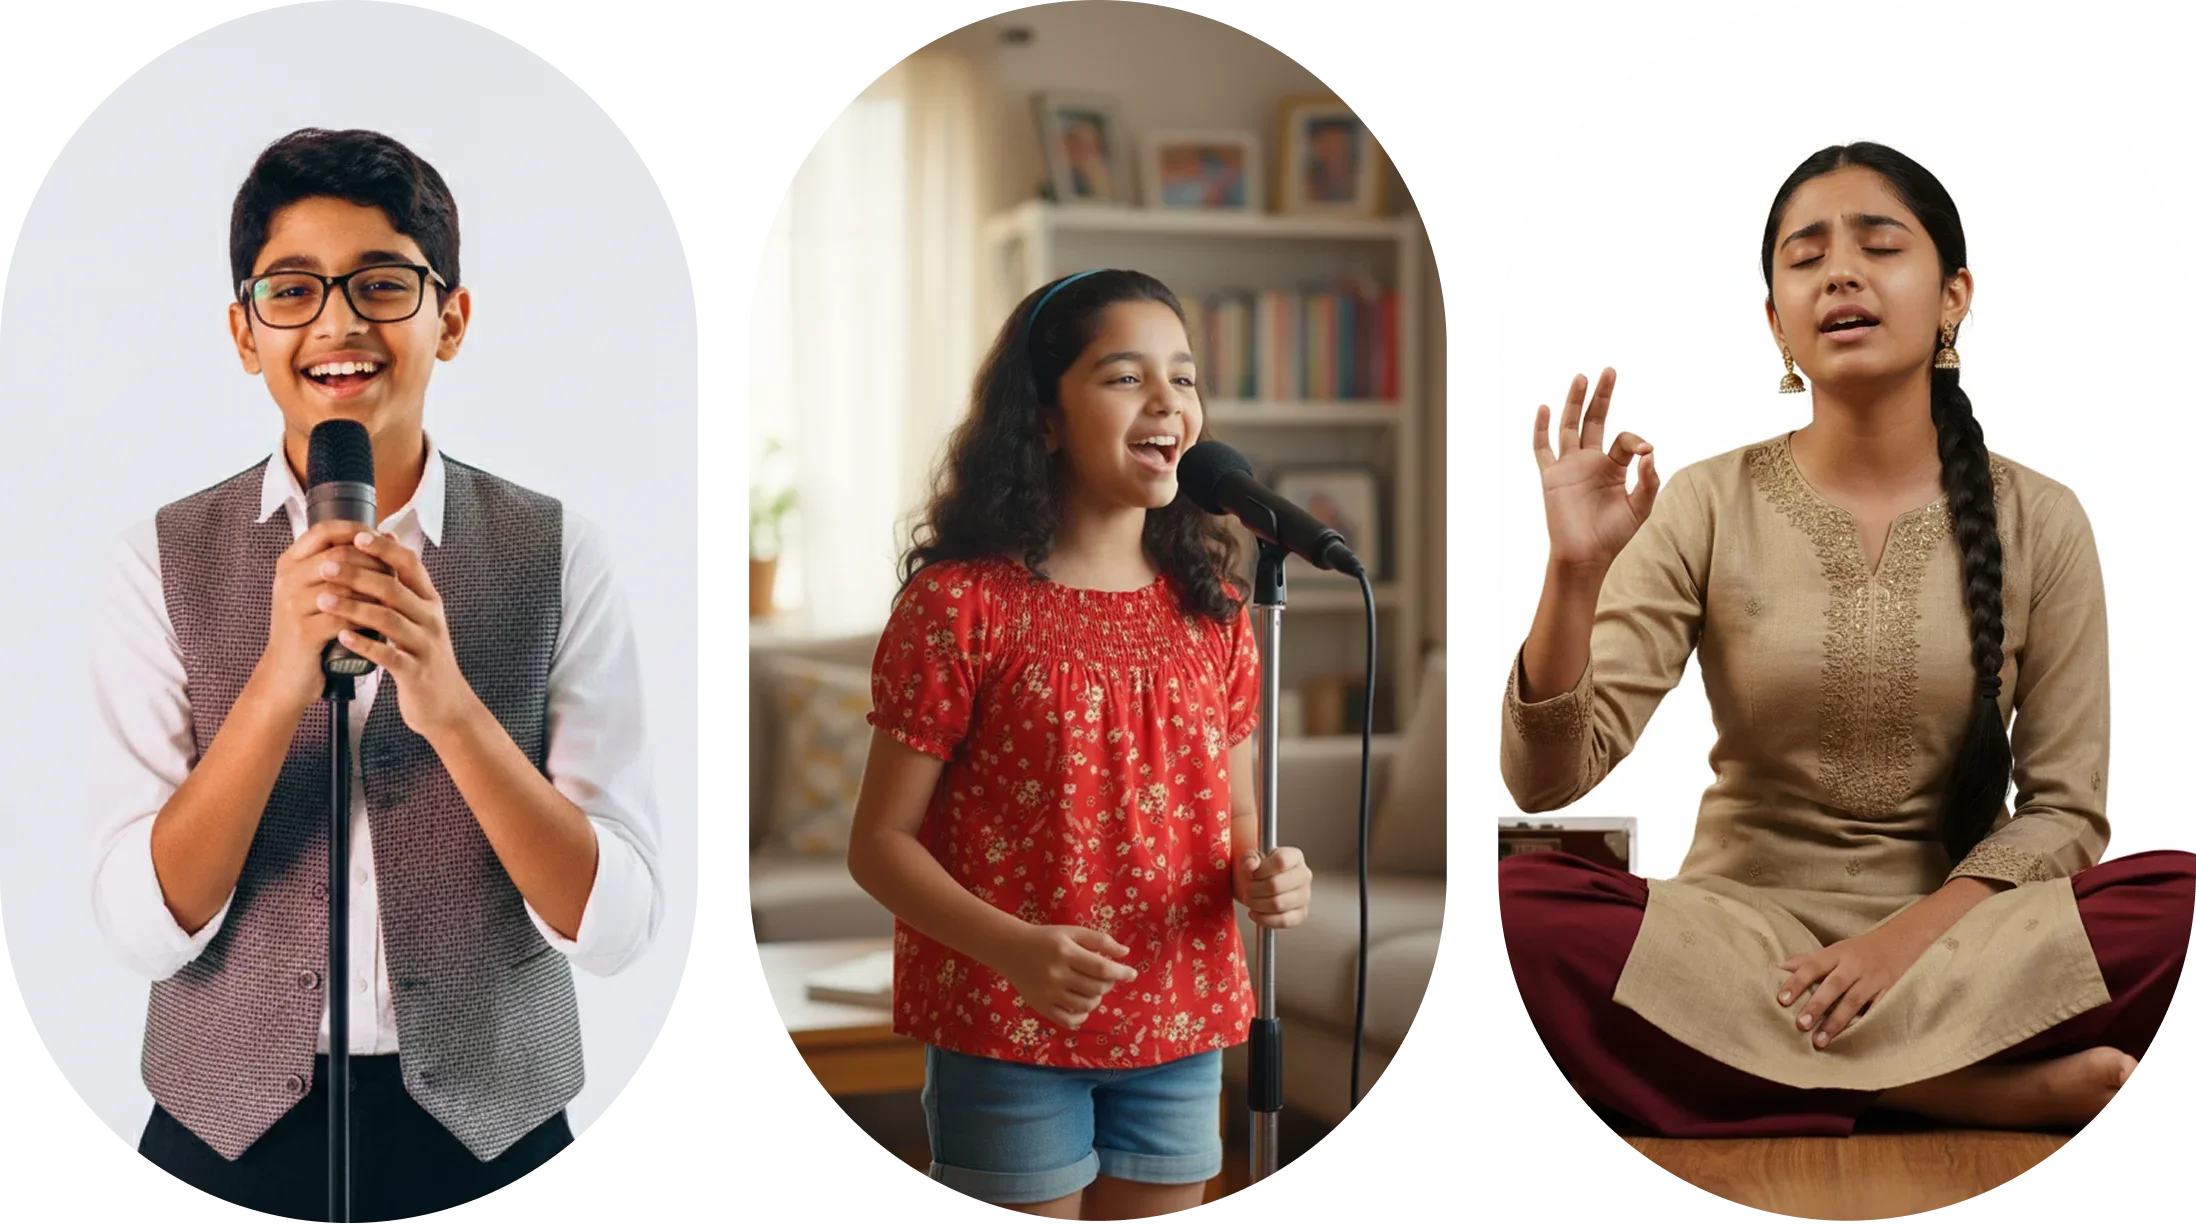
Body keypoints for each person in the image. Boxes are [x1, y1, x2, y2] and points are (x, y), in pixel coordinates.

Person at [1494, 142, 2196, 1139]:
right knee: (1520, 903)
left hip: (1961, 939)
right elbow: (1546, 781)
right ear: (1776, 321)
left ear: (1953, 297)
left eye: (1879, 246)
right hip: (1738, 938)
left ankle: (1752, 1072)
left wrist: (1901, 944)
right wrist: (1572, 573)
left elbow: (2065, 812)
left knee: (2177, 901)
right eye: (1806, 256)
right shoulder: (1705, 501)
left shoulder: (2041, 519)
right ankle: (1950, 1090)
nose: (1840, 274)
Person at [88, 128, 665, 1222]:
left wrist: (453, 710)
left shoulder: (558, 553)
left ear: (451, 319)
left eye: (383, 284)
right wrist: (276, 685)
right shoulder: (156, 561)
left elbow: (616, 926)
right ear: (244, 331)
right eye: (292, 290)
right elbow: (141, 925)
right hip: (225, 1133)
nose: (339, 324)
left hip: (495, 1129)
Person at [846, 269, 1314, 1223]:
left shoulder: (1218, 612)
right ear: (1044, 418)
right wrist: (1014, 949)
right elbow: (879, 845)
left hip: (1180, 1026)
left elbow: (1235, 818)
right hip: (1006, 1029)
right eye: (1126, 376)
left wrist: (1267, 873)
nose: (1167, 401)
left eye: (1184, 378)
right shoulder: (958, 607)